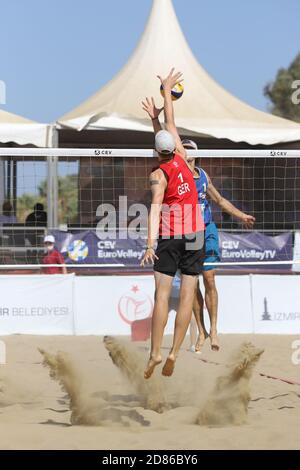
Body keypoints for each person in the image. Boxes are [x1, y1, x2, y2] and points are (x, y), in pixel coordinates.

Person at [140, 69, 205, 379]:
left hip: (171, 234)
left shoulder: (158, 175)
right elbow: (170, 123)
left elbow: (154, 210)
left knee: (162, 296)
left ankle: (155, 353)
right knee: (189, 293)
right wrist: (166, 93)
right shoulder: (181, 155)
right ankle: (176, 353)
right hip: (195, 233)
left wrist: (150, 244)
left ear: (156, 151)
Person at [182, 139, 255, 352]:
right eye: (183, 149)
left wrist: (241, 215)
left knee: (209, 277)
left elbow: (220, 200)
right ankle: (202, 331)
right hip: (188, 232)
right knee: (192, 283)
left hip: (207, 229)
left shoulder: (203, 175)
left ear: (196, 153)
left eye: (190, 149)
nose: (187, 152)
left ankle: (214, 330)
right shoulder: (177, 176)